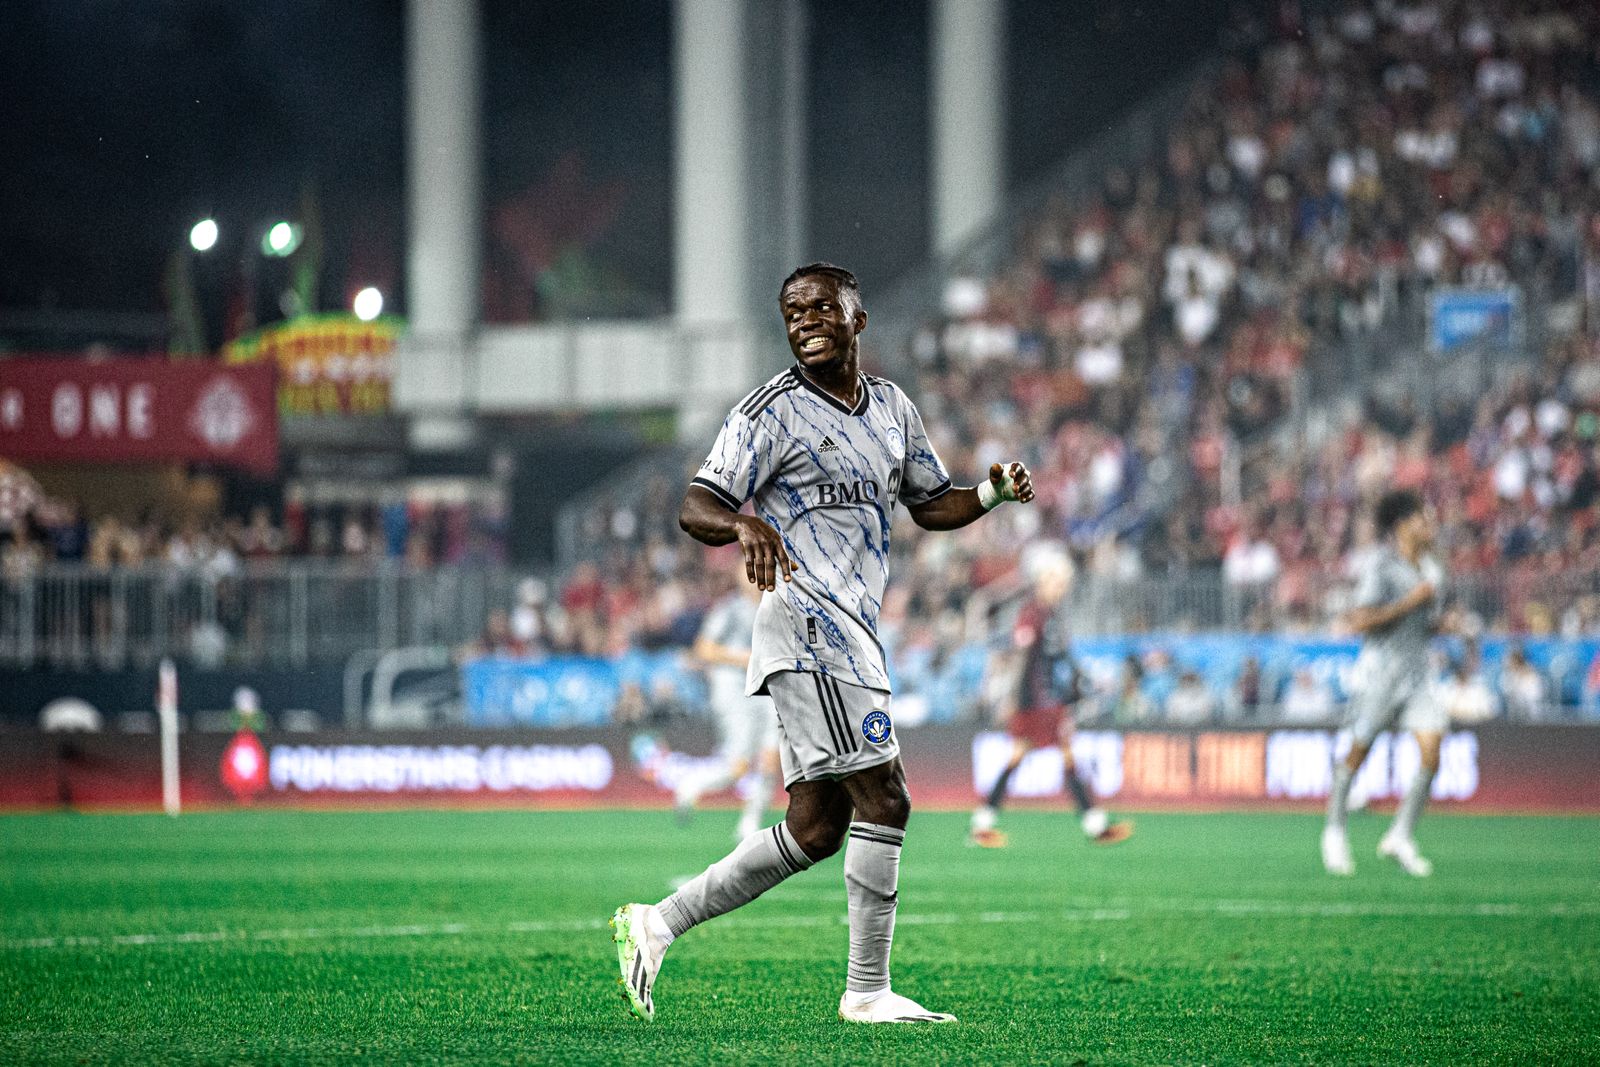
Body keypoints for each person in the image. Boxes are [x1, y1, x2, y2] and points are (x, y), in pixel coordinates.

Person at [610, 262, 1034, 1025]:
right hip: (808, 625)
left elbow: (930, 502)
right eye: (792, 311)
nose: (804, 320)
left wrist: (991, 491)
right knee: (887, 795)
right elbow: (697, 503)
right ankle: (867, 990)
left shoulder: (893, 408)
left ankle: (657, 922)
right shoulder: (769, 411)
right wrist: (742, 522)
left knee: (816, 828)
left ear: (856, 316)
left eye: (818, 306)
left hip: (855, 631)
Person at [1322, 490, 1451, 878]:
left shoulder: (1434, 569)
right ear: (1403, 525)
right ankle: (1334, 830)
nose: (1430, 525)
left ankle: (1400, 835)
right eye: (1423, 518)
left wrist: (1444, 624)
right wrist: (1409, 602)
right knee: (1358, 752)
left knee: (1432, 751)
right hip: (1380, 674)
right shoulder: (1381, 565)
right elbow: (1359, 620)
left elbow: (1425, 623)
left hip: (1418, 675)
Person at [969, 547, 1131, 848]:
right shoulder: (1031, 614)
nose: (1062, 588)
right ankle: (983, 825)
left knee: (1057, 757)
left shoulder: (1050, 614)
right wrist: (1013, 699)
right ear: (1043, 581)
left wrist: (1083, 683)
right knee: (1027, 757)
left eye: (1064, 583)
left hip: (1048, 701)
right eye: (1057, 582)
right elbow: (1023, 658)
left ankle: (1094, 825)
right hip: (1033, 701)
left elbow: (1063, 656)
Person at [673, 572, 782, 840]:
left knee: (771, 757)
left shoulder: (779, 607)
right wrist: (742, 659)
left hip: (769, 689)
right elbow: (703, 649)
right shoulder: (729, 610)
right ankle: (692, 783)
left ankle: (750, 823)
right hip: (734, 691)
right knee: (738, 767)